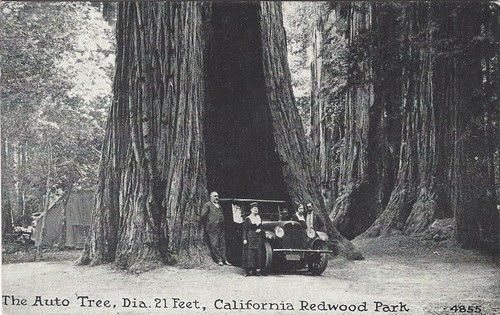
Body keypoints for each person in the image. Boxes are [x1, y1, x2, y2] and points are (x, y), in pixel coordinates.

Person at [201, 191, 231, 266]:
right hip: (212, 228)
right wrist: (209, 222)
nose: (216, 197)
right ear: (210, 197)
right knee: (215, 244)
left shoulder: (218, 205)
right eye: (214, 196)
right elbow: (203, 215)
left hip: (220, 227)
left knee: (222, 243)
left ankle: (225, 259)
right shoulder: (208, 205)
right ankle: (219, 260)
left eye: (217, 196)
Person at [241, 202, 263, 276]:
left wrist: (260, 229)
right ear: (251, 210)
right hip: (250, 237)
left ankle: (257, 270)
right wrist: (244, 239)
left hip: (258, 237)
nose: (256, 210)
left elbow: (260, 226)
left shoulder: (258, 218)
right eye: (254, 208)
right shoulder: (248, 219)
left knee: (258, 253)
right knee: (250, 254)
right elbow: (245, 230)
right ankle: (249, 270)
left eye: (257, 208)